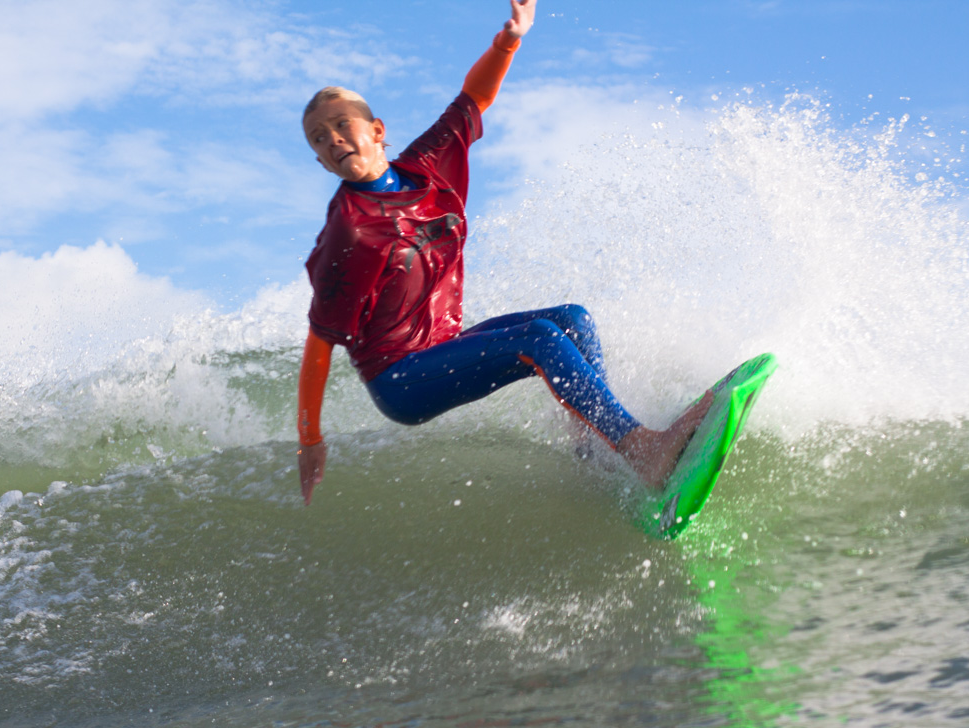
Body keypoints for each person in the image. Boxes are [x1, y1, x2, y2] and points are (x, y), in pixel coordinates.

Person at [296, 0, 712, 505]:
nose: (333, 139)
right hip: (401, 379)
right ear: (318, 162)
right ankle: (641, 450)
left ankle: (594, 455)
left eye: (342, 125)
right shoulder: (349, 233)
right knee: (539, 338)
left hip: (439, 344)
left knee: (573, 320)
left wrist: (511, 37)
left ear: (377, 130)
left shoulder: (427, 165)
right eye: (319, 138)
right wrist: (311, 439)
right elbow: (321, 342)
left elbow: (475, 97)